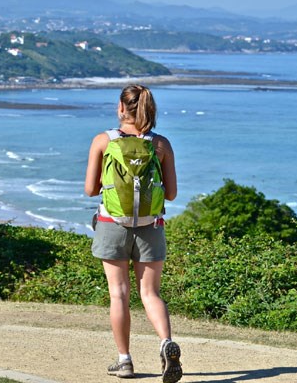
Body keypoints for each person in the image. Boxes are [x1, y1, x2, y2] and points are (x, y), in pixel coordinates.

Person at [84, 84, 182, 382]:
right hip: (151, 227)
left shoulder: (104, 141)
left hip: (112, 224)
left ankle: (124, 361)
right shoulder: (161, 144)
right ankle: (166, 343)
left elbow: (90, 190)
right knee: (150, 293)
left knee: (119, 294)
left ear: (120, 108)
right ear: (150, 110)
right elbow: (172, 194)